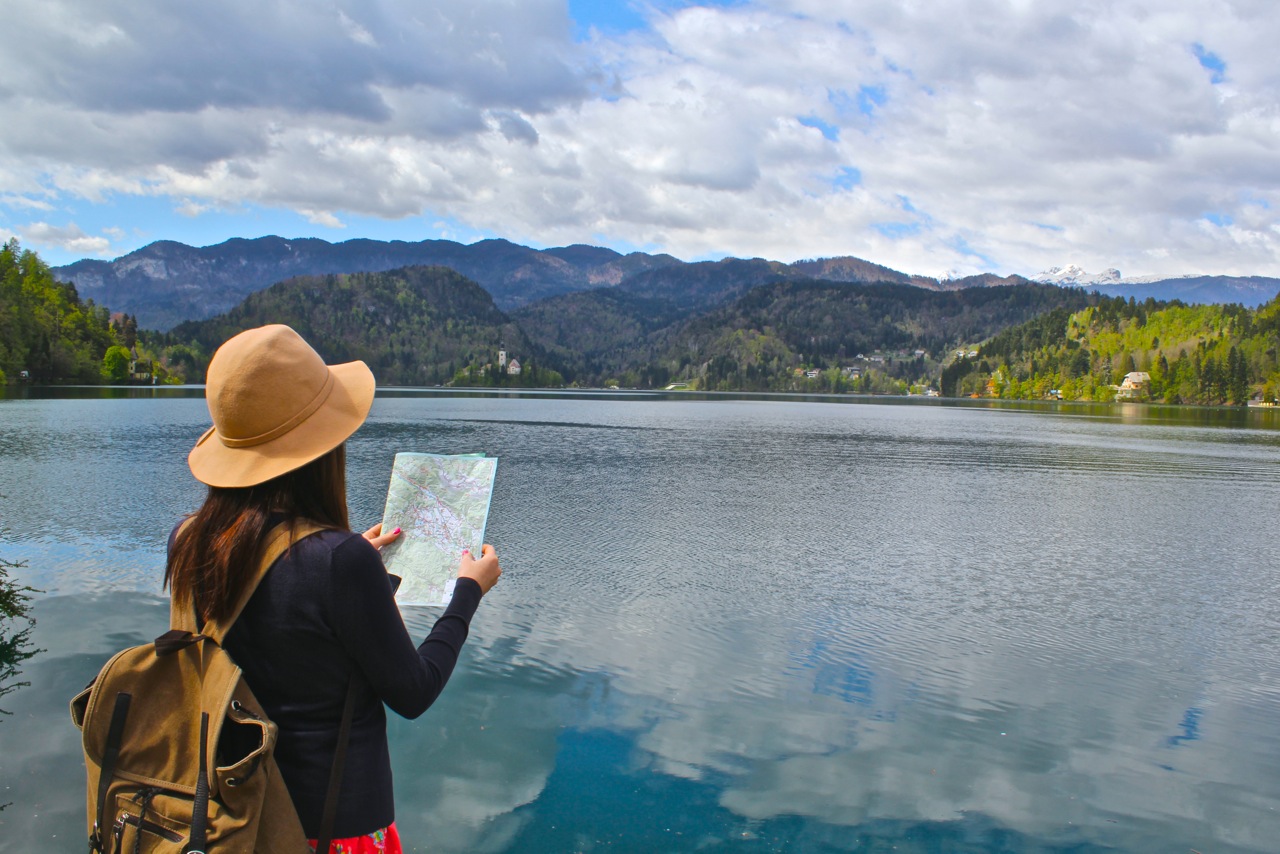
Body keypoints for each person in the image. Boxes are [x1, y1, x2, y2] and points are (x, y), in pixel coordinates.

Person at [165, 324, 501, 853]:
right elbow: (413, 692)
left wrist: (356, 567)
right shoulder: (338, 561)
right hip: (330, 830)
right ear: (323, 446)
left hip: (227, 821)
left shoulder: (188, 539)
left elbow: (282, 618)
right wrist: (467, 593)